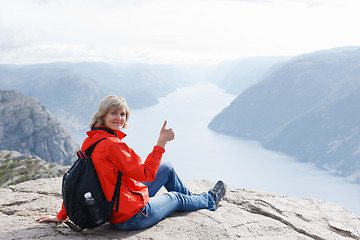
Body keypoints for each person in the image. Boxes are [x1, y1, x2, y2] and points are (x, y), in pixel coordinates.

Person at [36, 95, 226, 230]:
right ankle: (209, 201)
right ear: (103, 115)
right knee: (175, 197)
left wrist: (61, 215)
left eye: (123, 114)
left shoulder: (91, 141)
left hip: (117, 204)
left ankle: (192, 202)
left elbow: (77, 181)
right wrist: (161, 143)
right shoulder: (113, 145)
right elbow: (146, 174)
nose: (119, 118)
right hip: (131, 217)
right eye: (114, 113)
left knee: (166, 168)